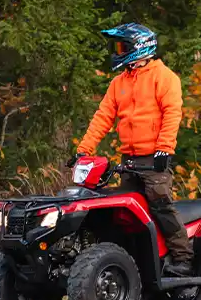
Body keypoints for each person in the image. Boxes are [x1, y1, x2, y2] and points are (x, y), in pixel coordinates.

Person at [67, 22, 193, 277]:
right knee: (121, 215)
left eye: (123, 45)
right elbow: (103, 117)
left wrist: (164, 150)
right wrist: (83, 150)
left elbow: (172, 114)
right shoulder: (118, 82)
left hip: (154, 160)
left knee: (160, 204)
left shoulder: (164, 77)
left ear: (140, 48)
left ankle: (183, 258)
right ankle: (131, 262)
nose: (118, 51)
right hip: (129, 160)